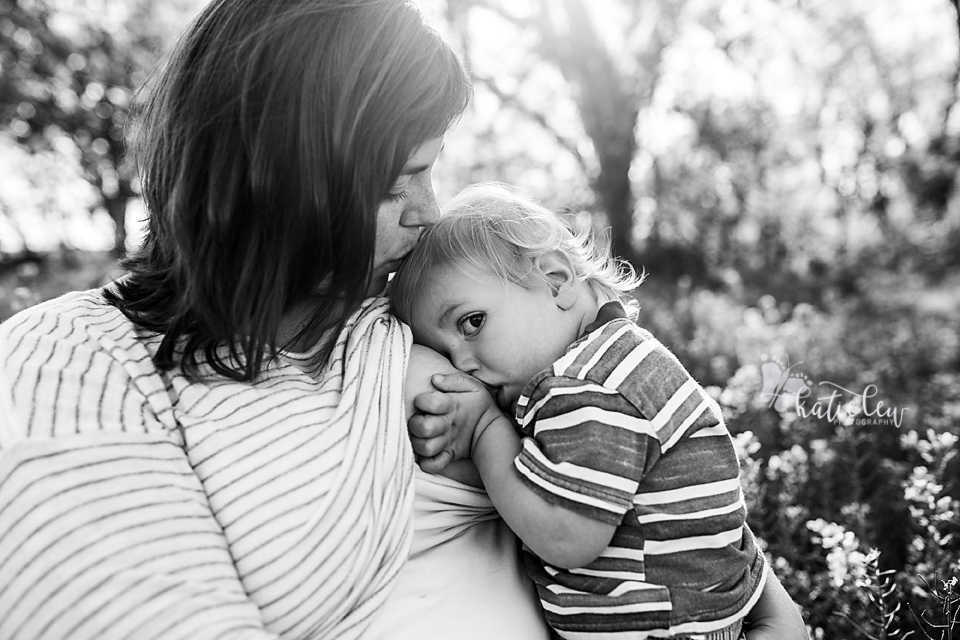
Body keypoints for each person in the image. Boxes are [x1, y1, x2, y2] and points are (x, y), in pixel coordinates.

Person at [0, 1, 805, 638]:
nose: (429, 210)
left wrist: (767, 606)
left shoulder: (403, 316)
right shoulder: (76, 362)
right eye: (400, 180)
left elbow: (634, 451)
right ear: (284, 177)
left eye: (432, 169)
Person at [390, 183, 787, 639]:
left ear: (555, 279)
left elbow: (565, 535)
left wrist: (483, 430)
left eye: (472, 323)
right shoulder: (620, 359)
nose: (461, 363)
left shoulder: (586, 388)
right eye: (442, 350)